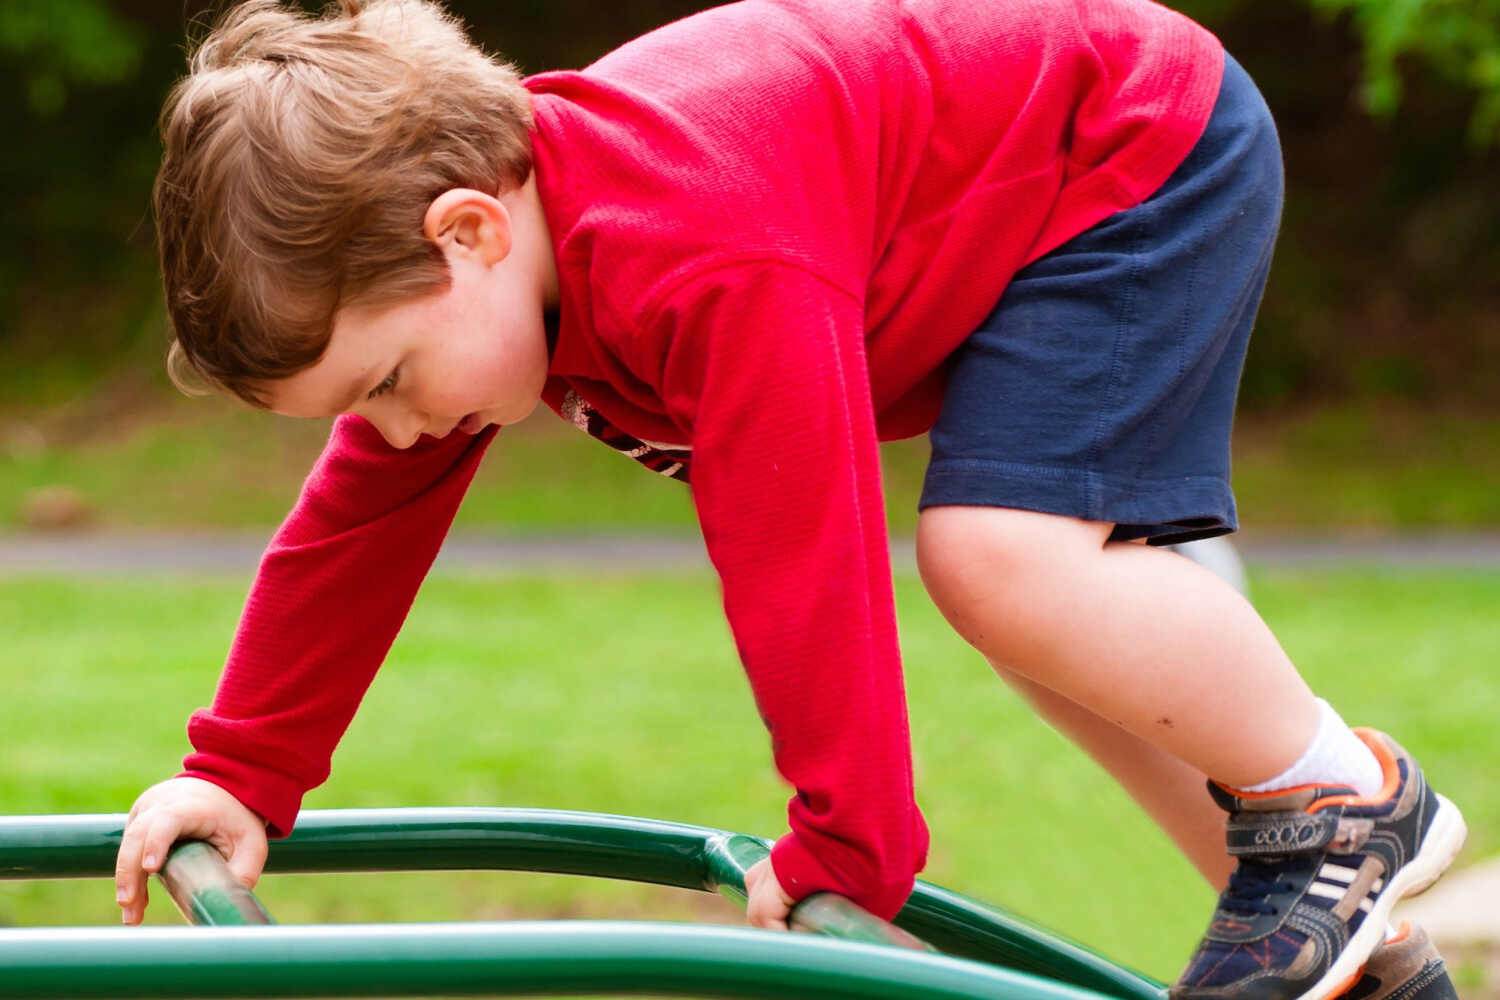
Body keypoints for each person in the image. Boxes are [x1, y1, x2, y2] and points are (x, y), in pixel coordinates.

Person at [113, 1, 1466, 996]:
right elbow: (354, 528)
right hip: (1038, 196)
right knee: (1051, 621)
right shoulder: (499, 277)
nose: (397, 425)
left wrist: (850, 847)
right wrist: (242, 771)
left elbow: (799, 558)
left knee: (999, 562)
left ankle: (1346, 802)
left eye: (386, 379)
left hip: (1127, 150)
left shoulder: (697, 254)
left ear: (468, 229)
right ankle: (1349, 952)